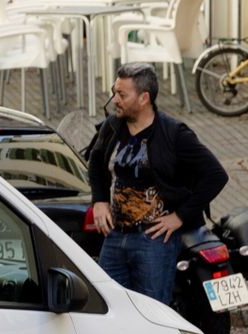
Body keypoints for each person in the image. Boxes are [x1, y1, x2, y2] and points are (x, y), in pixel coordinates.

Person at [88, 62, 229, 304]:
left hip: (153, 242)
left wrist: (180, 216)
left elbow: (216, 175)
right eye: (114, 91)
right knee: (108, 307)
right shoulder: (113, 126)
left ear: (144, 98)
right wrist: (99, 200)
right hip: (115, 236)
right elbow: (96, 160)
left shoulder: (174, 133)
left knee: (152, 312)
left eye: (122, 94)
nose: (114, 99)